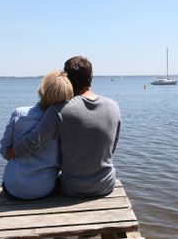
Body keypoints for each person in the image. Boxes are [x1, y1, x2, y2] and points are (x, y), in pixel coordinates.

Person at [8, 56, 121, 197]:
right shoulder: (113, 107)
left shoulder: (59, 109)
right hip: (106, 185)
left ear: (66, 79)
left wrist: (12, 152)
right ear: (91, 77)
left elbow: (34, 141)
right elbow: (111, 149)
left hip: (72, 188)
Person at [0, 70, 73, 199]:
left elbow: (4, 151)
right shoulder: (65, 120)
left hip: (13, 188)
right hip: (45, 189)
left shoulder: (19, 114)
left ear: (42, 90)